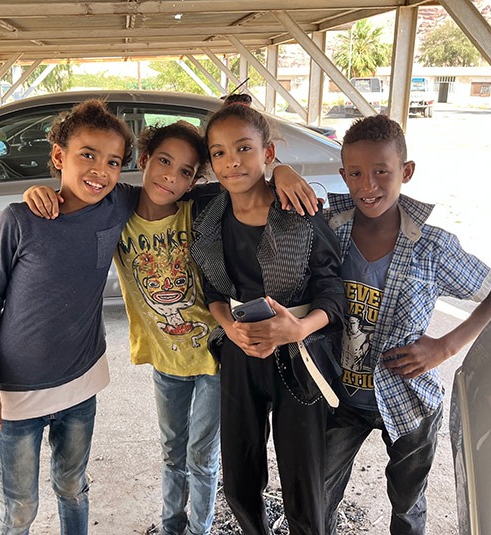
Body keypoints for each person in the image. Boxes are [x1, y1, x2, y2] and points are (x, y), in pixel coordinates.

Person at [21, 120, 319, 535]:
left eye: (185, 172)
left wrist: (281, 169)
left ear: (196, 179)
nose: (171, 177)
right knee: (172, 452)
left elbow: (245, 176)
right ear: (143, 160)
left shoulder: (198, 207)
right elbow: (74, 196)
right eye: (163, 162)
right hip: (165, 358)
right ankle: (171, 526)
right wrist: (38, 190)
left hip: (214, 355)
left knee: (202, 455)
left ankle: (200, 529)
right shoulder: (117, 208)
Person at [323, 114, 491, 535]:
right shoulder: (330, 234)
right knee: (317, 497)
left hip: (409, 402)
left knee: (407, 505)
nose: (368, 185)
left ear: (405, 172)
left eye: (381, 172)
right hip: (340, 398)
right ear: (343, 175)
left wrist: (444, 347)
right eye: (355, 173)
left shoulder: (434, 245)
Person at [0, 99, 140, 535]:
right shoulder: (20, 220)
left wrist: (280, 175)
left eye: (113, 161)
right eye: (88, 155)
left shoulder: (117, 205)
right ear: (59, 156)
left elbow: (179, 187)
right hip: (18, 394)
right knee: (20, 507)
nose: (100, 169)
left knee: (73, 486)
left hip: (82, 386)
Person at [190, 94, 347, 535]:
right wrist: (228, 329)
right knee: (240, 476)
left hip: (300, 357)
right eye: (218, 152)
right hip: (240, 353)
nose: (231, 162)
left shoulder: (299, 211)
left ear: (268, 153)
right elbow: (214, 290)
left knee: (303, 482)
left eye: (244, 148)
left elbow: (333, 292)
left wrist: (299, 327)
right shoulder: (208, 210)